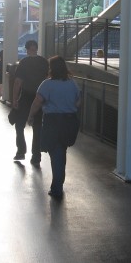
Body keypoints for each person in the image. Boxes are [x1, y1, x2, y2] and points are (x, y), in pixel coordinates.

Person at [27, 56, 81, 198]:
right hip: (70, 121)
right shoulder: (72, 84)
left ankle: (57, 187)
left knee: (56, 153)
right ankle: (58, 183)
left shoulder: (47, 84)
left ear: (51, 68)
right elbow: (78, 102)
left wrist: (31, 116)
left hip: (53, 121)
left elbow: (37, 102)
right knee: (61, 151)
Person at [12, 40, 48, 164]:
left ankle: (21, 151)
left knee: (19, 125)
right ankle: (36, 156)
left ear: (27, 49)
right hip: (40, 97)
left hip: (26, 97)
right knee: (37, 127)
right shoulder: (44, 62)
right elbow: (48, 80)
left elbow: (18, 82)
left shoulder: (24, 62)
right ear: (36, 48)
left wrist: (15, 99)